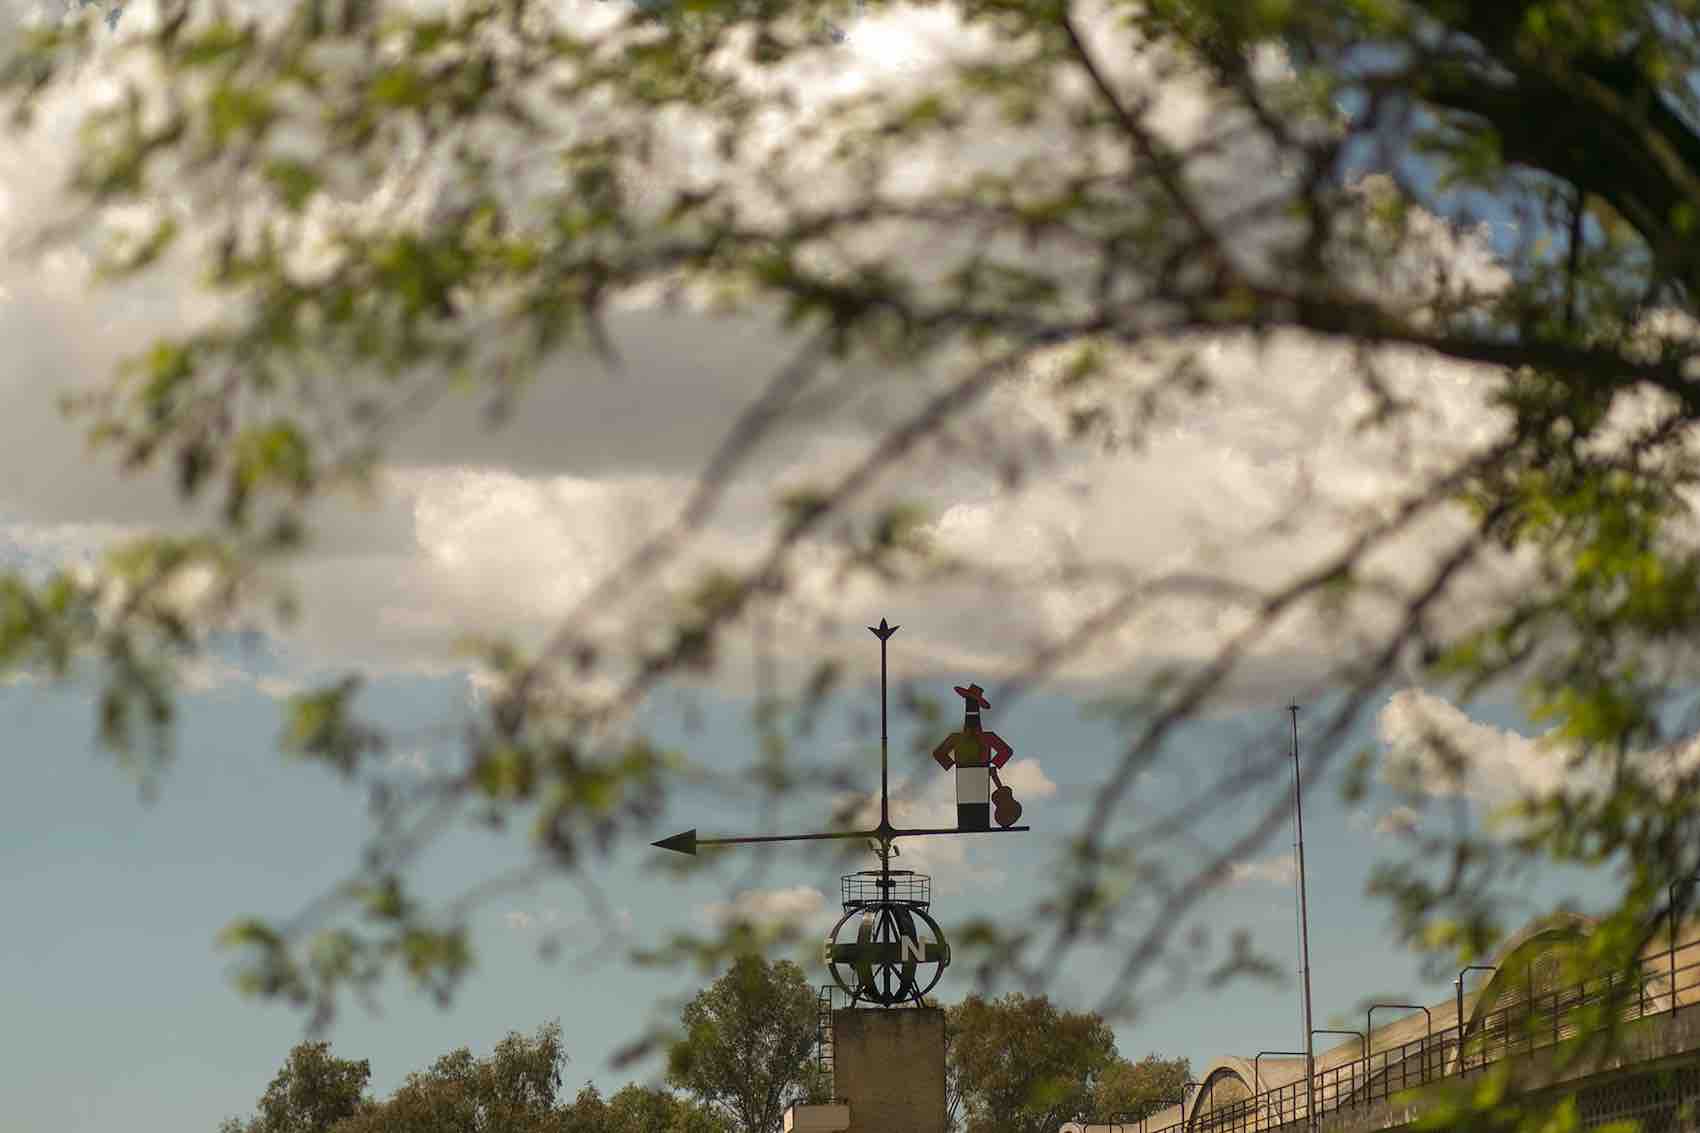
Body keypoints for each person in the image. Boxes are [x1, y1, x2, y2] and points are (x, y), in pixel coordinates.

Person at [931, 683, 1013, 831]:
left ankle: (976, 823)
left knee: (979, 806)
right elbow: (939, 754)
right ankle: (968, 824)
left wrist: (989, 765)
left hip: (979, 774)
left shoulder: (984, 737)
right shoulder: (959, 738)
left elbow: (1005, 751)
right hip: (966, 775)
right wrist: (955, 762)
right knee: (966, 805)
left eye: (973, 703)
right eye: (970, 703)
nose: (971, 707)